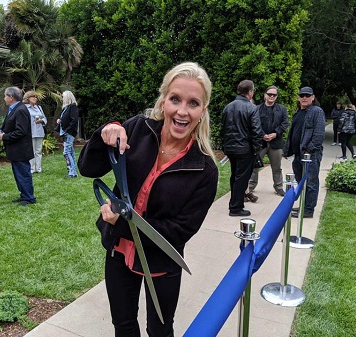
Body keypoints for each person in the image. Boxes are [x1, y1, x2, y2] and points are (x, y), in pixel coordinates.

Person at [78, 62, 218, 336]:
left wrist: (123, 222)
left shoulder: (204, 169)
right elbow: (88, 169)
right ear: (163, 99)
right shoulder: (138, 130)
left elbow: (180, 231)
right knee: (124, 325)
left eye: (193, 103)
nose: (182, 111)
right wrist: (105, 133)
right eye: (175, 99)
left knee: (160, 330)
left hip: (162, 262)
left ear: (202, 111)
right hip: (119, 252)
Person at [221, 79, 263, 216]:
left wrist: (225, 146)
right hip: (244, 149)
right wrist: (256, 149)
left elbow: (223, 129)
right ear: (250, 92)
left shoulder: (228, 107)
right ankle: (236, 208)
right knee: (241, 178)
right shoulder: (251, 108)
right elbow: (257, 131)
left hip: (230, 148)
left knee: (235, 176)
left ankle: (234, 204)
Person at [284, 86, 325, 218]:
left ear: (313, 97)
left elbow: (319, 135)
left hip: (310, 155)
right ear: (298, 98)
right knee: (301, 182)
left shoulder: (316, 111)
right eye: (302, 96)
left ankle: (308, 210)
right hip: (298, 155)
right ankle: (303, 206)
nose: (304, 98)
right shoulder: (298, 112)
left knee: (311, 182)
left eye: (307, 96)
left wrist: (309, 149)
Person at [0, 87, 36, 206]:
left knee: (23, 174)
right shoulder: (15, 109)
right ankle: (24, 195)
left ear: (11, 97)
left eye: (5, 96)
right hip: (16, 149)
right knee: (19, 174)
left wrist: (4, 137)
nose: (4, 98)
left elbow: (21, 131)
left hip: (20, 149)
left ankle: (29, 198)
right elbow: (12, 127)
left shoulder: (20, 110)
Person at [248, 85, 289, 198]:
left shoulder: (282, 109)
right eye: (269, 94)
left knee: (277, 167)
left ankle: (279, 187)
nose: (271, 96)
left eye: (274, 95)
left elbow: (285, 123)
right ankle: (250, 187)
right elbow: (254, 124)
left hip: (276, 143)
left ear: (276, 97)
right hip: (260, 143)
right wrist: (262, 135)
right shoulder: (256, 109)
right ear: (265, 95)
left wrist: (275, 133)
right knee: (254, 167)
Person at [55, 91, 79, 178]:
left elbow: (74, 120)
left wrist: (68, 130)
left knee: (66, 152)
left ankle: (72, 172)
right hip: (66, 132)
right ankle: (73, 170)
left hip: (69, 133)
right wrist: (60, 121)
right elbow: (66, 119)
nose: (62, 98)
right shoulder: (66, 108)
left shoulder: (72, 107)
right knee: (70, 152)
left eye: (63, 97)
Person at [23, 91, 47, 173]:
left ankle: (39, 168)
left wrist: (42, 120)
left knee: (38, 151)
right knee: (31, 151)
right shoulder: (25, 108)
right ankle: (32, 168)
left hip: (39, 132)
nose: (35, 98)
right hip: (30, 132)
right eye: (33, 97)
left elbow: (45, 119)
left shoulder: (39, 107)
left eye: (36, 97)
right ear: (28, 98)